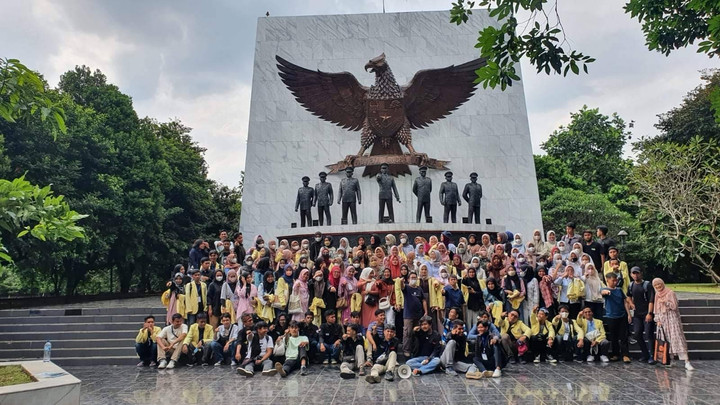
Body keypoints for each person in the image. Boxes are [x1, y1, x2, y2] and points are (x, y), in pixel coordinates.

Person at [652, 278, 695, 370]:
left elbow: (674, 306)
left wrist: (666, 302)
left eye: (659, 284)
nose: (658, 286)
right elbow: (656, 309)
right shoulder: (657, 295)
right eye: (655, 285)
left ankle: (686, 361)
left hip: (672, 318)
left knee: (677, 337)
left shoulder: (670, 293)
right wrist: (657, 320)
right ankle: (671, 359)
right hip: (663, 319)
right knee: (666, 339)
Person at [601, 272, 633, 363]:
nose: (615, 282)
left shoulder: (619, 290)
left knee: (623, 336)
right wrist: (606, 292)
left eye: (616, 280)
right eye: (613, 280)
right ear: (607, 280)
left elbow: (625, 301)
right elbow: (602, 292)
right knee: (613, 336)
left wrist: (629, 314)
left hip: (622, 315)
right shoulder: (604, 289)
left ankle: (625, 355)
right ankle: (615, 354)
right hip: (611, 316)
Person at [627, 267, 656, 364]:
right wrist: (631, 303)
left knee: (648, 334)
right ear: (631, 274)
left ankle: (652, 355)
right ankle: (645, 353)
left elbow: (651, 300)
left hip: (646, 312)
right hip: (637, 314)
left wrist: (649, 313)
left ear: (641, 273)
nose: (636, 275)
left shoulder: (647, 285)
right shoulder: (631, 285)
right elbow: (628, 296)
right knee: (637, 334)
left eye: (637, 273)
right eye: (634, 273)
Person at [402, 272, 428, 356]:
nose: (413, 279)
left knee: (418, 332)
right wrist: (401, 281)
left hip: (419, 314)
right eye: (412, 278)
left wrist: (426, 311)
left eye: (415, 278)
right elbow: (401, 286)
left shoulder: (419, 288)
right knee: (408, 333)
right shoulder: (406, 287)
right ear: (408, 279)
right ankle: (406, 351)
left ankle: (416, 351)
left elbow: (423, 300)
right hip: (408, 315)